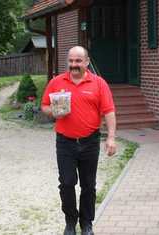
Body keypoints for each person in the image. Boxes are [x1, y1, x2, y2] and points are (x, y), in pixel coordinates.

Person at [41, 46, 116, 235]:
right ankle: (70, 221)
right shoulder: (57, 82)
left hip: (90, 142)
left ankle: (87, 223)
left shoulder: (99, 84)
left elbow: (109, 111)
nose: (74, 65)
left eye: (78, 61)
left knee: (88, 185)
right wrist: (53, 111)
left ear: (87, 62)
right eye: (71, 61)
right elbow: (44, 106)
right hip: (65, 142)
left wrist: (111, 138)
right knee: (66, 183)